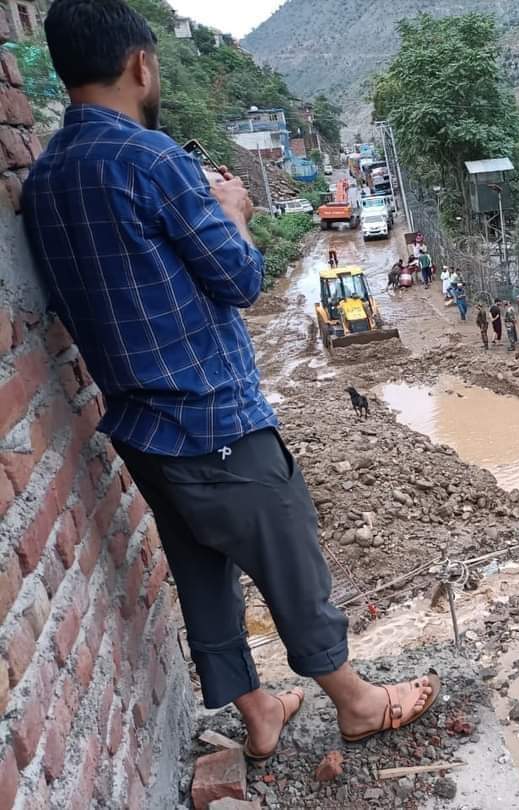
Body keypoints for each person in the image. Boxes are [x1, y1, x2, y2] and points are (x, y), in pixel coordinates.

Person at [24, 0, 438, 764]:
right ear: (141, 64)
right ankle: (357, 704)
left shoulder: (44, 180)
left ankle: (260, 714)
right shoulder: (152, 160)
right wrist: (236, 210)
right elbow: (242, 277)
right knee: (290, 556)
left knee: (202, 573)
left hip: (139, 428)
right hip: (212, 418)